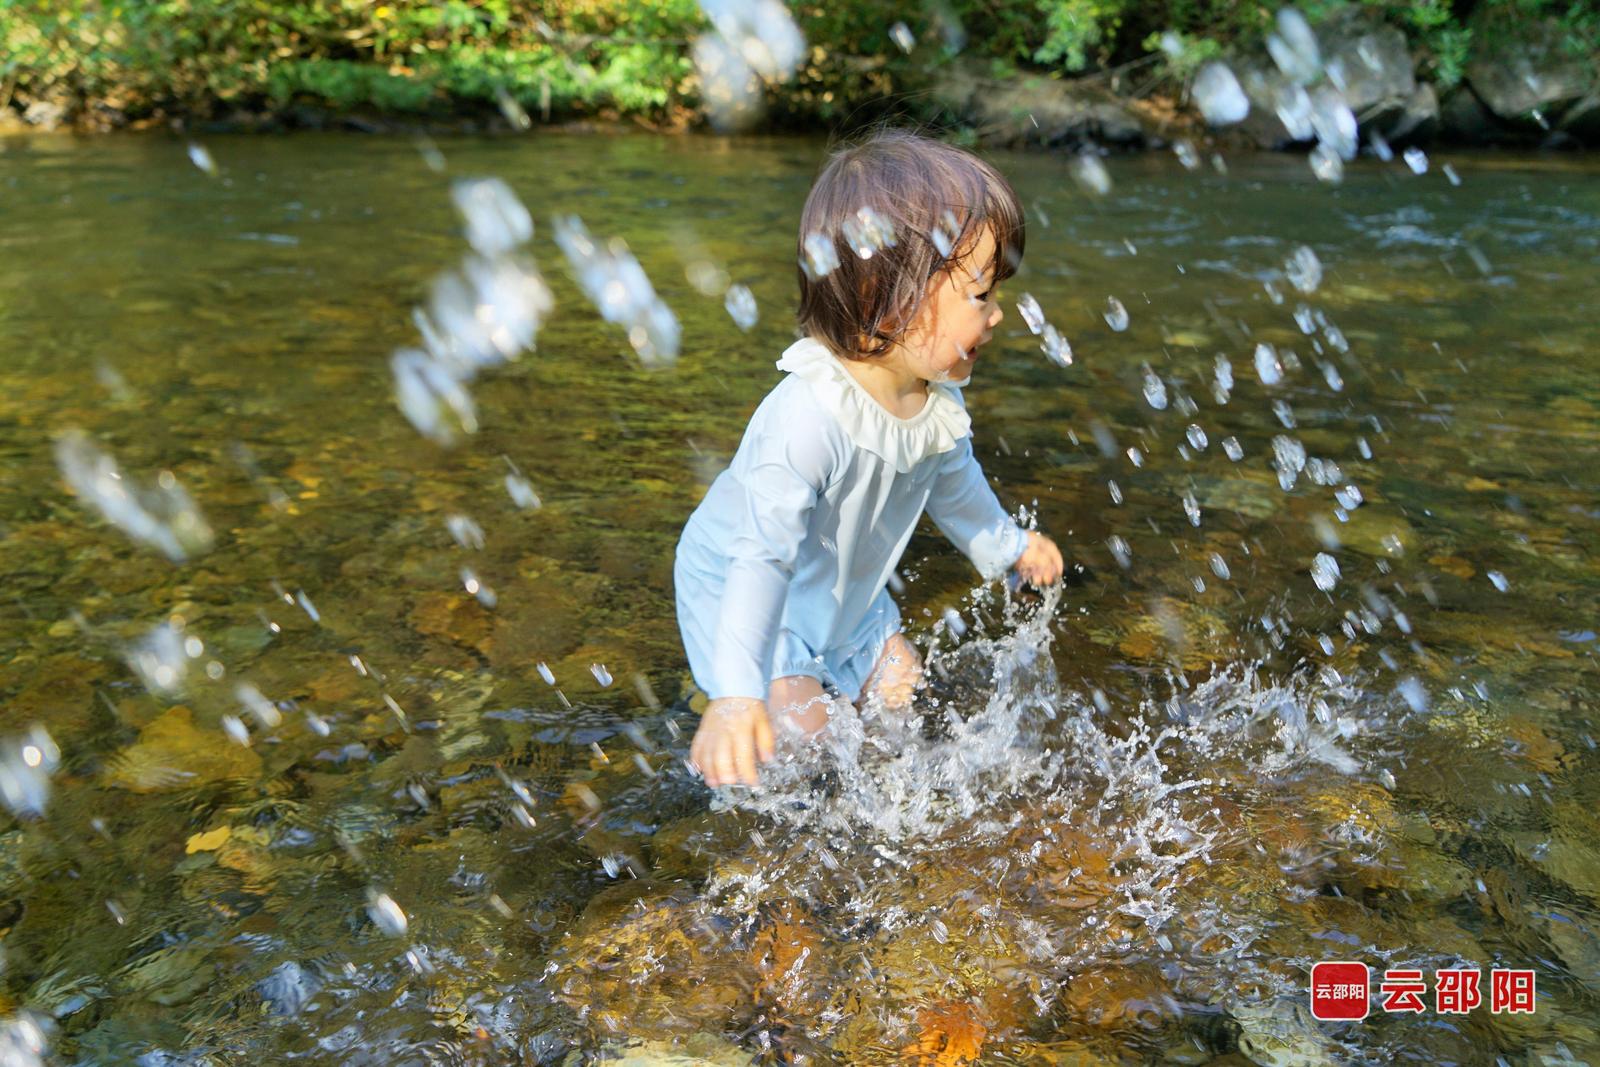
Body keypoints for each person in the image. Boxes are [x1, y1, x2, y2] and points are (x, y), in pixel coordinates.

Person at [674, 126, 1064, 788]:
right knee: (803, 740)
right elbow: (760, 558)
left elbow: (957, 488)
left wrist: (1008, 546)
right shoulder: (807, 417)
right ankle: (719, 711)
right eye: (980, 294)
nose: (997, 315)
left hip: (844, 595)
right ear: (886, 303)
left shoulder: (933, 403)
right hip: (744, 589)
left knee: (900, 698)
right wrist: (736, 692)